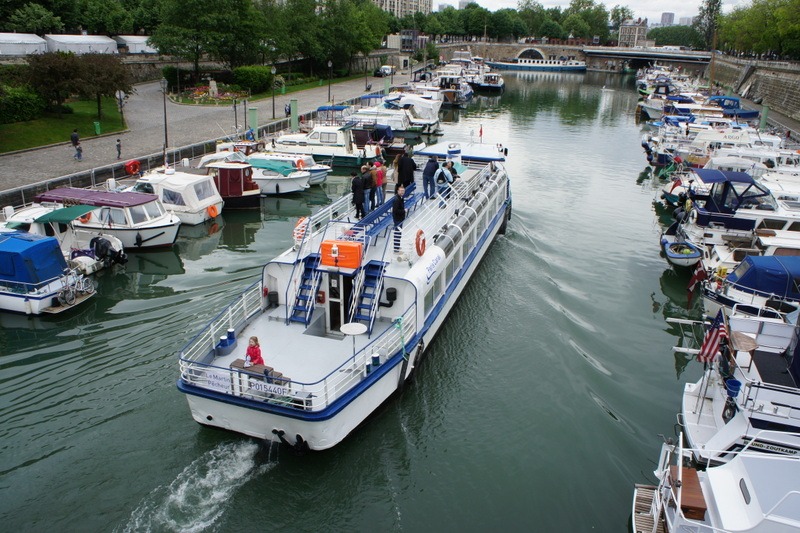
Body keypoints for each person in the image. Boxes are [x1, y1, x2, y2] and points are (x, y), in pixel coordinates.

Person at [392, 184, 406, 253]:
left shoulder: (400, 198)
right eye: (401, 191)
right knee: (397, 233)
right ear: (398, 191)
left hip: (400, 218)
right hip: (398, 218)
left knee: (399, 233)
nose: (402, 192)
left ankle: (397, 246)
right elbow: (395, 210)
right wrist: (404, 211)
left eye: (403, 191)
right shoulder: (397, 200)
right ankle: (396, 248)